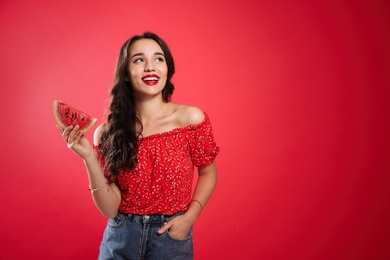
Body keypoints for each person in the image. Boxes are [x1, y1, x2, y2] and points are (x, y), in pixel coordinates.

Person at [57, 32, 220, 260]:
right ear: (125, 73)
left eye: (158, 59)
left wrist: (190, 217)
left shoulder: (191, 119)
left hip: (171, 239)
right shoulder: (107, 132)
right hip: (120, 239)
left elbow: (209, 173)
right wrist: (88, 158)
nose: (150, 67)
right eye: (139, 60)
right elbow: (110, 209)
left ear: (167, 69)